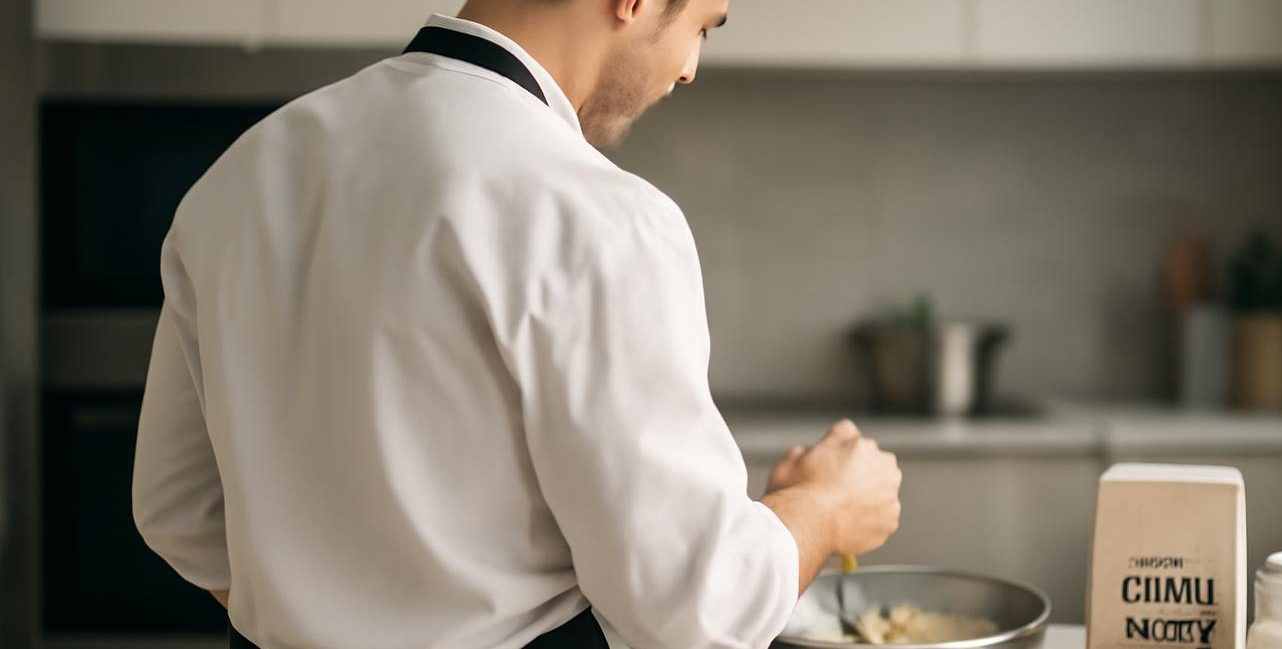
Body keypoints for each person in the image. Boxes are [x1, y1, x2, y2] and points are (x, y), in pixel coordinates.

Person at [130, 0, 903, 648]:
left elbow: (175, 512)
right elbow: (694, 610)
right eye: (702, 24)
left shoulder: (240, 174)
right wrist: (823, 507)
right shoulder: (597, 218)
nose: (690, 66)